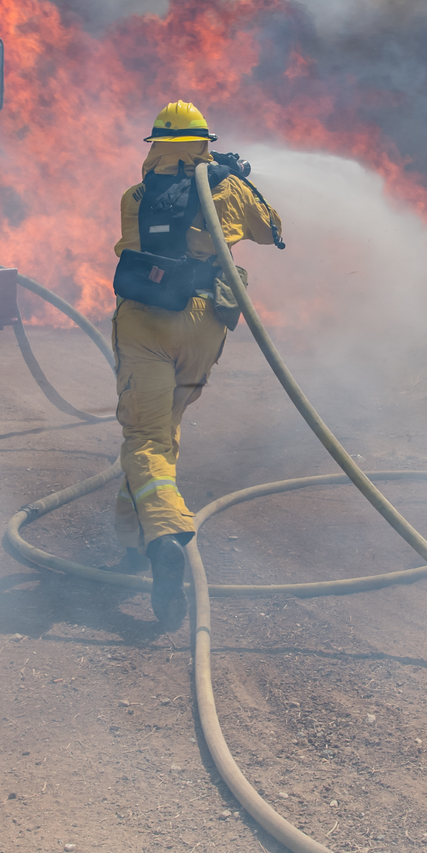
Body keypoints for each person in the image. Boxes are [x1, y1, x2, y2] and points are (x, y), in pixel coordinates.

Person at [111, 100, 283, 631]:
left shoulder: (134, 196)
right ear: (206, 141)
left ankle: (162, 534)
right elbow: (270, 230)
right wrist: (238, 177)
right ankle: (130, 534)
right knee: (164, 429)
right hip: (204, 323)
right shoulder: (226, 188)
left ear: (156, 144)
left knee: (145, 435)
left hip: (144, 321)